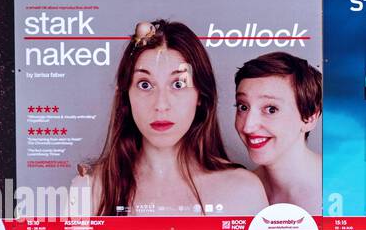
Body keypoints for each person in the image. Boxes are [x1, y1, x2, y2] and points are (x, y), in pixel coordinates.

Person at [88, 20, 268, 217]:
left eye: (179, 84)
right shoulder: (91, 190)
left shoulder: (243, 191)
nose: (161, 105)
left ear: (200, 94)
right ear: (125, 95)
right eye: (145, 85)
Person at [234, 52, 323, 215]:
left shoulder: (343, 188)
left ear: (309, 118)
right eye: (243, 107)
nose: (248, 126)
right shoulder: (240, 192)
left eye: (271, 109)